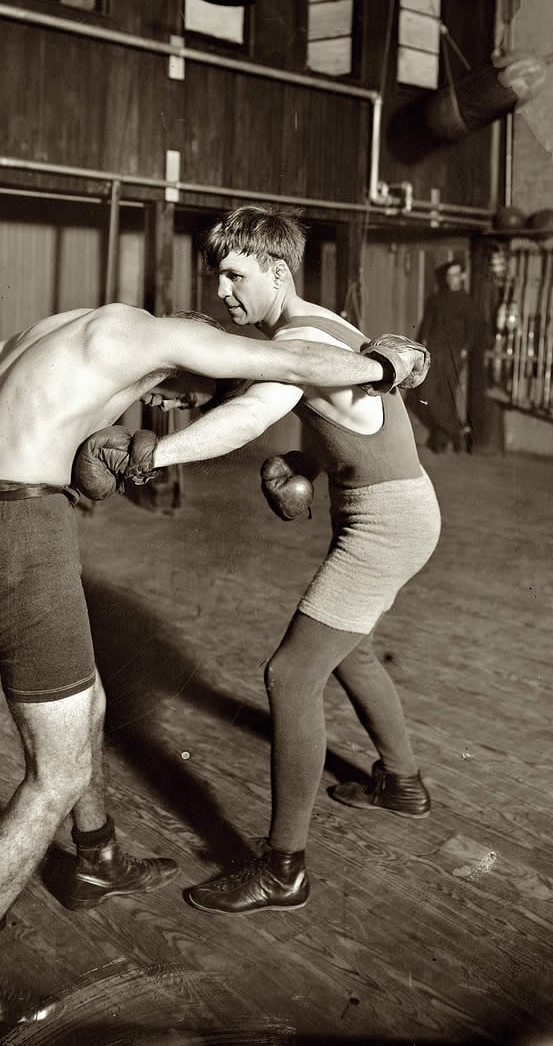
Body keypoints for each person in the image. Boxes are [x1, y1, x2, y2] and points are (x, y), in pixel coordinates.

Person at [0, 302, 423, 1026]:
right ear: (195, 356)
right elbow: (291, 364)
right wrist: (386, 365)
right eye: (184, 394)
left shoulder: (71, 322)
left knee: (87, 704)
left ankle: (96, 858)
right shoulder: (164, 339)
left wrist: (20, 467)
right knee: (55, 774)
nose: (171, 404)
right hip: (20, 549)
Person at [75, 208, 441, 916]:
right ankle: (401, 781)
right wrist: (301, 460)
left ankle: (283, 869)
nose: (223, 293)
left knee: (290, 673)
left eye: (237, 277)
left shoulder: (300, 339)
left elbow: (253, 412)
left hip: (386, 523)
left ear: (278, 272)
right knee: (350, 650)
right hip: (391, 506)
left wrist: (157, 455)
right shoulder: (316, 323)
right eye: (218, 277)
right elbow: (354, 424)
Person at [407, 258, 473, 453]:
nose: (452, 279)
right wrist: (422, 345)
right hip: (434, 352)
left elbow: (473, 329)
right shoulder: (436, 299)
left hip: (454, 356)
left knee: (446, 396)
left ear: (461, 277)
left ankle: (440, 442)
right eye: (449, 275)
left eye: (455, 275)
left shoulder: (467, 302)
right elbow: (427, 324)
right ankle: (458, 430)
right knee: (425, 394)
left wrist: (465, 351)